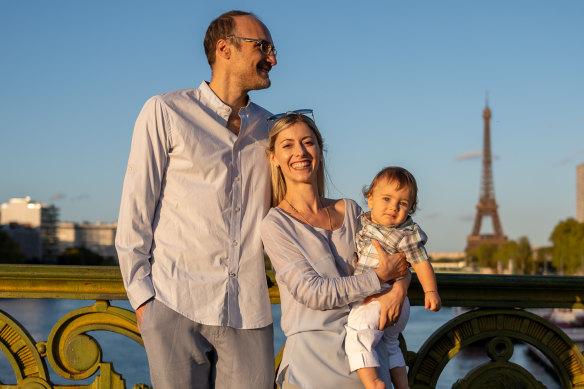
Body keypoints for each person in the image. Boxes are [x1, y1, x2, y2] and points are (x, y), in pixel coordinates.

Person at [115, 10, 277, 389]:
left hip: (249, 310)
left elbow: (301, 206)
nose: (272, 58)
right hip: (173, 304)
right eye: (263, 47)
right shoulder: (165, 111)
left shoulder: (272, 128)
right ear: (225, 48)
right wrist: (144, 302)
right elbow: (136, 210)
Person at [260, 111, 410, 389]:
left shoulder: (351, 210)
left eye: (308, 142)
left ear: (320, 150)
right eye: (287, 145)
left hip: (370, 362)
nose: (300, 152)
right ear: (273, 158)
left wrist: (399, 289)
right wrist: (378, 278)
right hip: (312, 367)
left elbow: (400, 253)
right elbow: (312, 292)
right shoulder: (275, 224)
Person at [346, 166, 442, 389]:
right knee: (391, 345)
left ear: (410, 209)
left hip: (381, 299)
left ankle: (372, 383)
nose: (393, 207)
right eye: (387, 199)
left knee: (357, 333)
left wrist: (431, 291)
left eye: (402, 203)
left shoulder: (406, 234)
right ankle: (402, 385)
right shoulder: (365, 222)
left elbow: (421, 263)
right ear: (370, 199)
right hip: (397, 303)